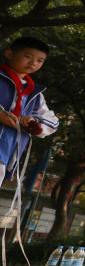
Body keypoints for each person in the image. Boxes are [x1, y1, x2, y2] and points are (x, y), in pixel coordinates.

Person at [0, 37, 59, 182]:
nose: (33, 63)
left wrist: (33, 124)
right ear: (9, 54)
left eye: (40, 61)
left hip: (5, 153)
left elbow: (52, 121)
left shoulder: (35, 94)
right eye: (28, 57)